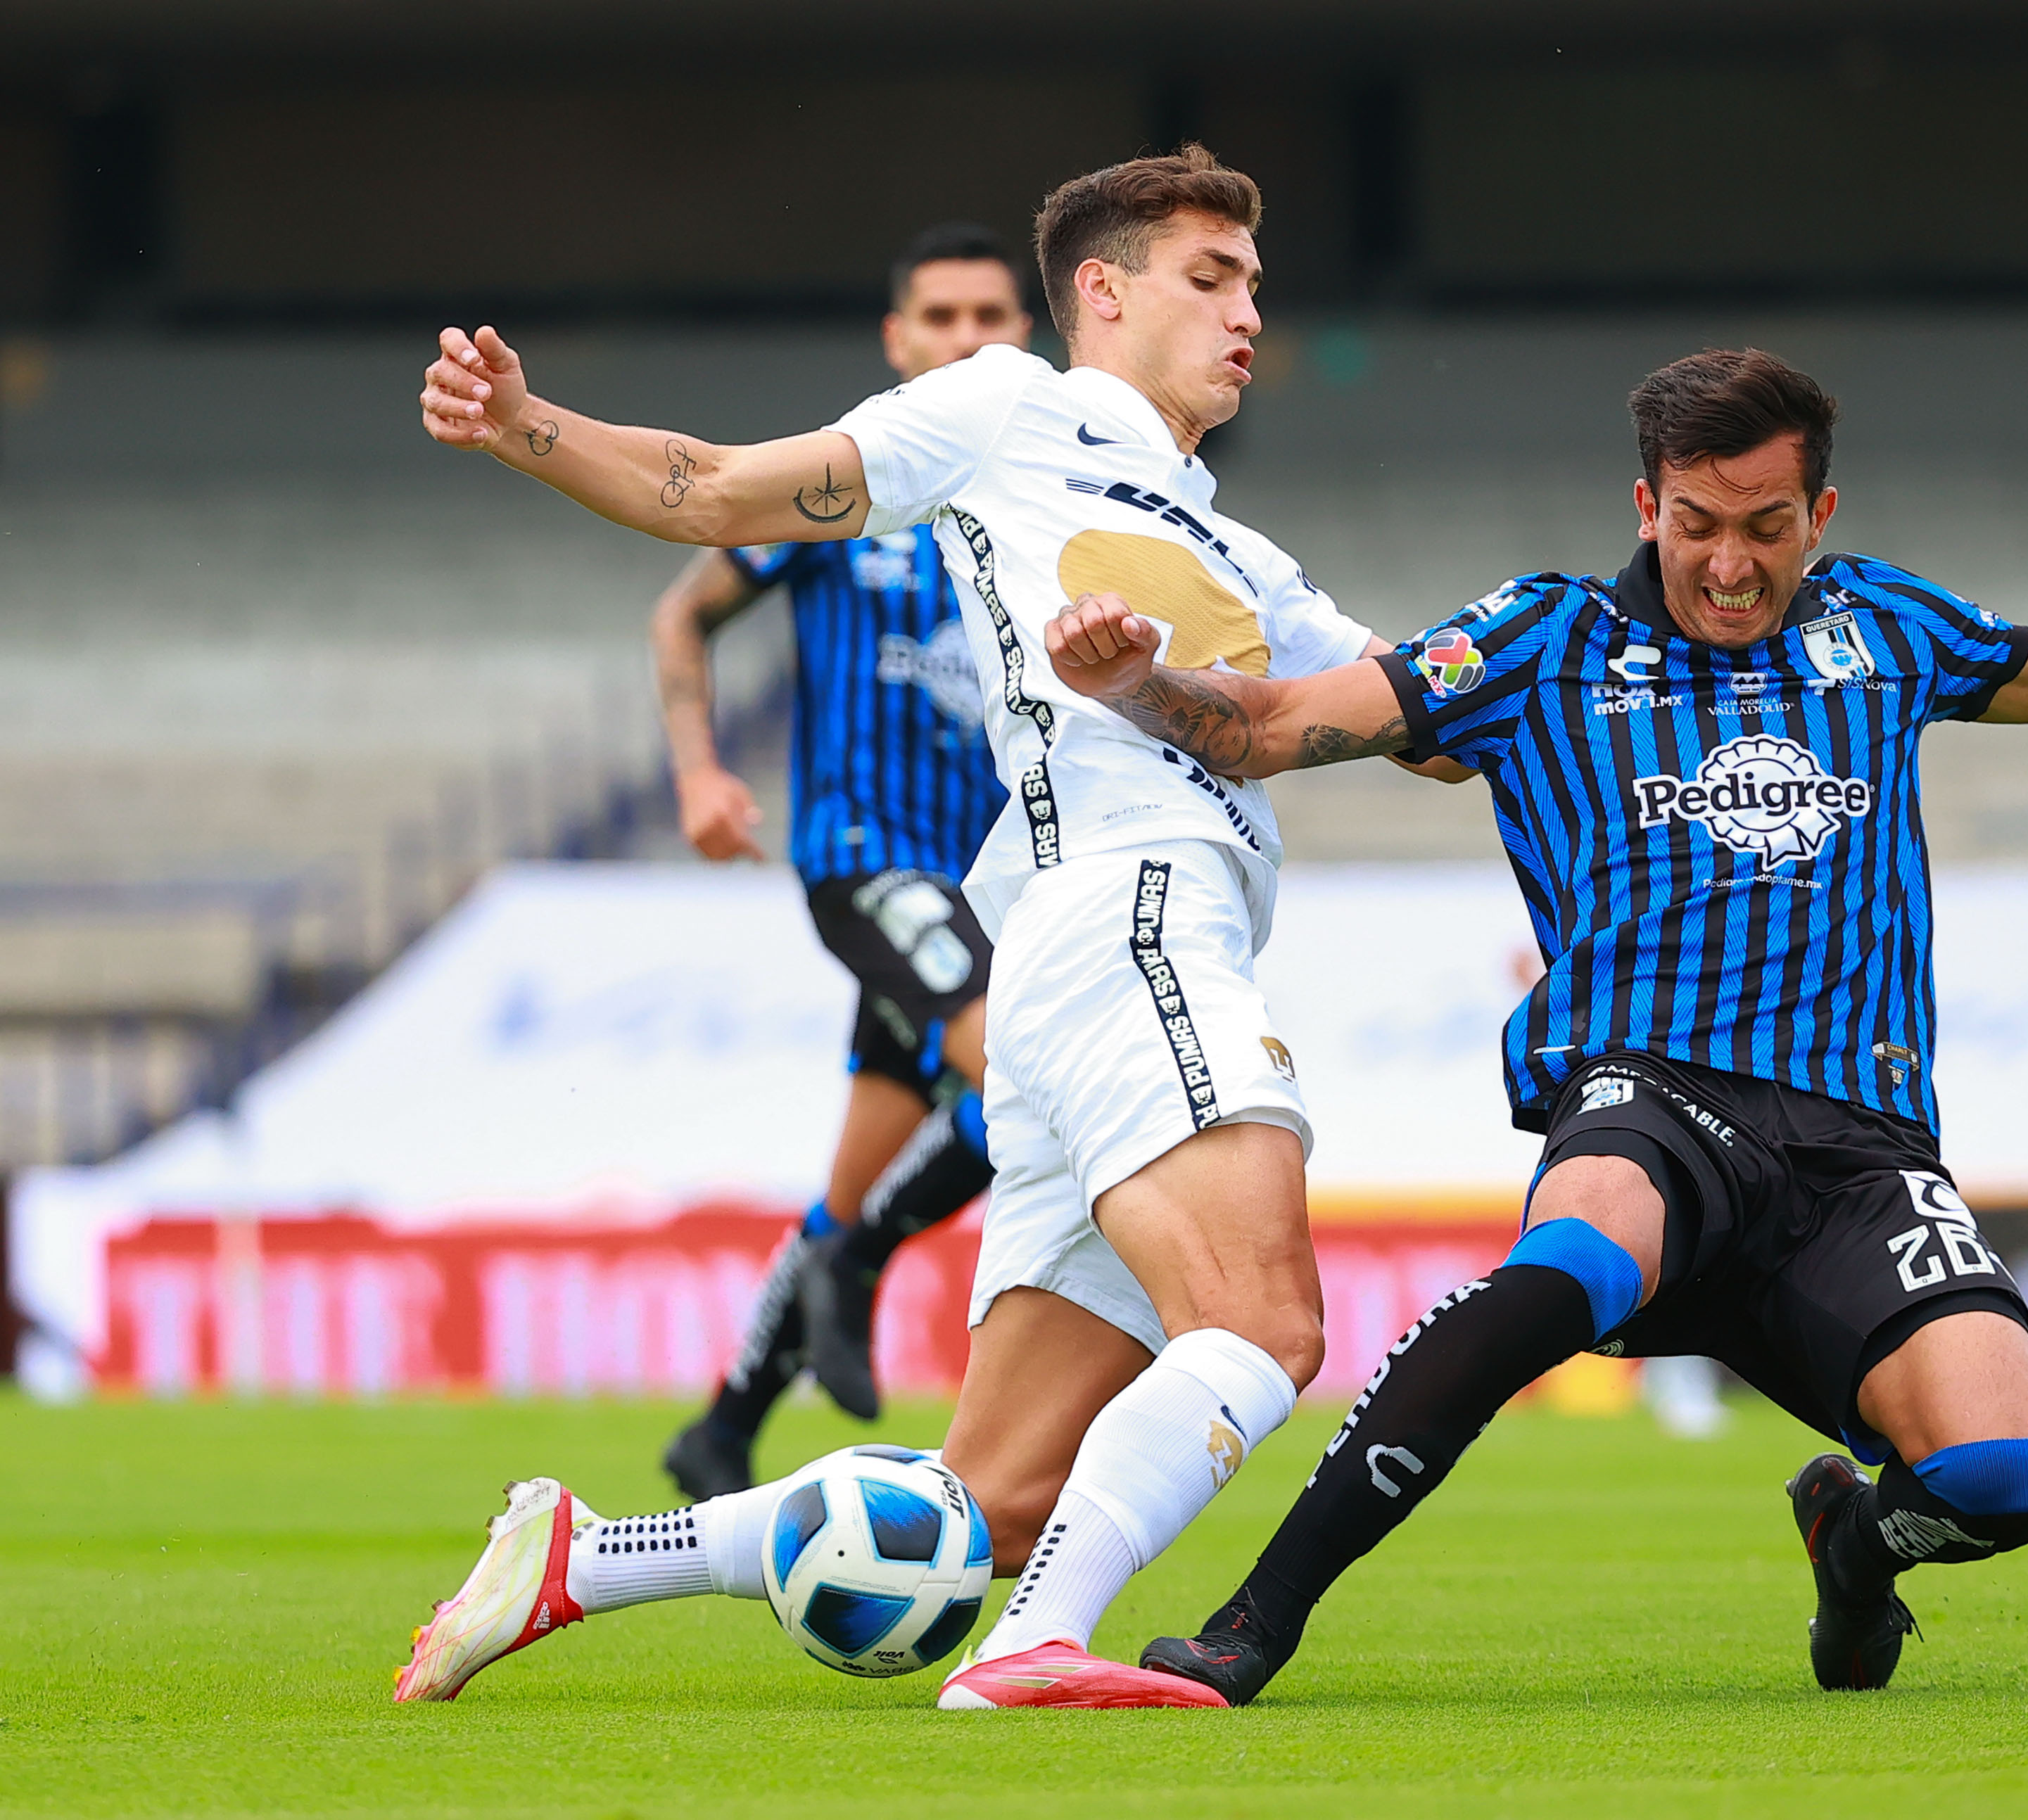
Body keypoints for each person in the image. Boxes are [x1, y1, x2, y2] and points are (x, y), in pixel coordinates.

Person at [1037, 347, 2028, 1703]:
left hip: (1859, 1153)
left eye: (1768, 529)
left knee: (2002, 1483)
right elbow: (1273, 726)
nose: (1733, 563)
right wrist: (1141, 686)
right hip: (1652, 1101)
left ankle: (1852, 1543)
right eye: (1700, 525)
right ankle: (1250, 1624)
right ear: (1646, 504)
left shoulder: (1885, 630)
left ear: (1822, 517)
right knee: (1569, 1263)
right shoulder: (1530, 640)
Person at [395, 147, 1462, 1711]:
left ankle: (581, 1556)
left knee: (995, 1497)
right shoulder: (1010, 406)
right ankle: (1031, 1650)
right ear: (1101, 290)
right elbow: (712, 487)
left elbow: (1434, 721)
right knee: (1261, 1319)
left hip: (1065, 961)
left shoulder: (1241, 553)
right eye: (1210, 278)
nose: (1248, 315)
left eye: (1255, 285)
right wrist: (526, 427)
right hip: (1129, 913)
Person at [654, 223, 1031, 1498]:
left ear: (1025, 337)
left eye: (992, 314)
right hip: (868, 860)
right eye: (941, 316)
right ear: (898, 339)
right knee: (1023, 1076)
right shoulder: (841, 486)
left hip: (984, 884)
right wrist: (701, 770)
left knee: (862, 1170)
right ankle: (864, 1265)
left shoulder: (1038, 507)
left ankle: (722, 1427)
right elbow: (683, 611)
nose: (968, 337)